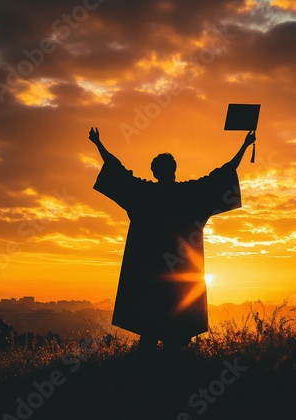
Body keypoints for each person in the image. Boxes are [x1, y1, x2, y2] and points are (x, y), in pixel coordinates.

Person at [89, 127, 256, 353]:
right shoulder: (189, 194)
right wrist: (244, 146)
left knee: (148, 330)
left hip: (151, 273)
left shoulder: (144, 194)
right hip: (180, 274)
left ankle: (145, 373)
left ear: (155, 173)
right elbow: (222, 175)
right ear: (174, 171)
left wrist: (98, 144)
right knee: (176, 334)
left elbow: (118, 172)